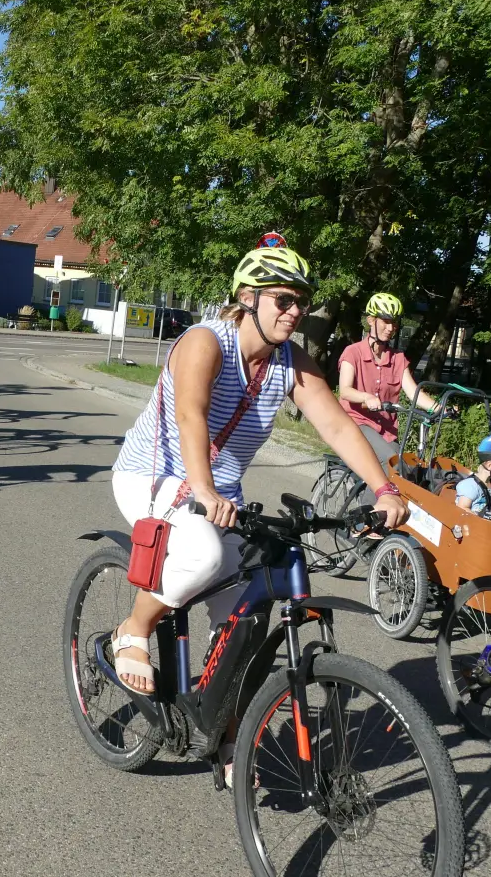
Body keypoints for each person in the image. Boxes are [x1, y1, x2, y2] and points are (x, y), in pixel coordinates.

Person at [106, 242, 410, 788]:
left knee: (249, 608)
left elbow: (339, 426)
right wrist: (201, 488)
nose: (294, 311)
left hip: (218, 493)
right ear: (247, 298)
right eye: (283, 299)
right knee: (198, 554)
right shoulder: (204, 342)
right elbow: (191, 415)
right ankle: (134, 628)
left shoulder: (291, 362)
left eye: (302, 302)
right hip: (155, 476)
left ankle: (227, 731)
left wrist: (384, 488)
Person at [337, 292, 443, 473]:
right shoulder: (353, 352)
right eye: (386, 321)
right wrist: (366, 396)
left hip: (386, 431)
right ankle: (373, 503)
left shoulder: (398, 358)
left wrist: (441, 409)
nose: (390, 327)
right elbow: (345, 391)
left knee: (409, 469)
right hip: (356, 424)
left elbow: (414, 393)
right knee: (389, 464)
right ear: (371, 320)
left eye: (394, 322)